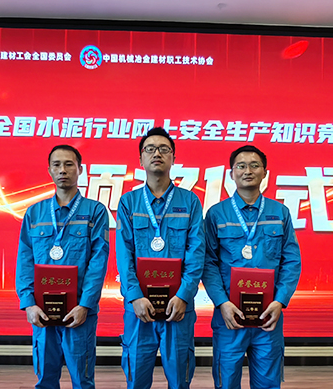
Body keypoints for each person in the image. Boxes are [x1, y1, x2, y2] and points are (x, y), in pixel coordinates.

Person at [202, 145, 301, 389]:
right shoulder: (216, 214)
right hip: (229, 316)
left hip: (268, 316)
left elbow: (291, 261)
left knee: (268, 383)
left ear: (265, 172)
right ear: (231, 173)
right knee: (226, 382)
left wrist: (280, 302)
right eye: (241, 166)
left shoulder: (280, 212)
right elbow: (208, 263)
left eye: (255, 165)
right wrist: (222, 303)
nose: (248, 171)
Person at [116, 127, 205, 389]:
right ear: (140, 159)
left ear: (173, 158)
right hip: (139, 308)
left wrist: (184, 295)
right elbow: (124, 254)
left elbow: (196, 252)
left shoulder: (190, 202)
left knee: (179, 379)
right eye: (150, 149)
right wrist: (134, 296)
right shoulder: (128, 202)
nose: (157, 153)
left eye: (164, 149)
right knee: (136, 378)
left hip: (178, 307)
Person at [16, 144, 109, 389]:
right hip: (42, 311)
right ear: (49, 170)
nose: (62, 170)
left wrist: (86, 305)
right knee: (45, 379)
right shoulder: (35, 213)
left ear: (80, 169)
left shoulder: (95, 212)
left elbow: (98, 262)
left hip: (79, 311)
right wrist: (29, 303)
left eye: (69, 164)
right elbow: (25, 260)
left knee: (83, 380)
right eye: (56, 165)